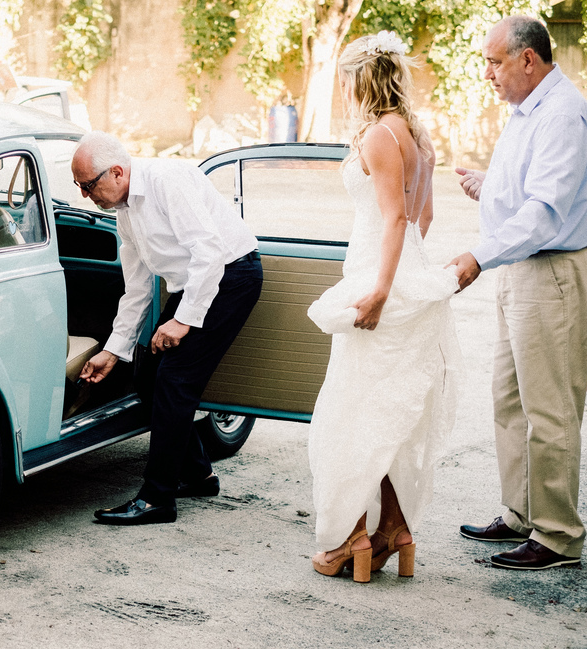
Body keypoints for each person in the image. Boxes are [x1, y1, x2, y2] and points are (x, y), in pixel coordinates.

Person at [448, 15, 587, 571]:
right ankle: (520, 513)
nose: (487, 73)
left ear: (527, 60)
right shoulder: (526, 110)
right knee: (509, 399)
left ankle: (559, 535)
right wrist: (487, 186)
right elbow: (525, 190)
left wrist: (477, 256)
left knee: (551, 410)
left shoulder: (562, 115)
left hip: (553, 272)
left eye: (493, 62)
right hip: (523, 270)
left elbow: (544, 213)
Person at [306, 31, 461, 583]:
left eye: (345, 82)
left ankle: (351, 540)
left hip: (383, 278)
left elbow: (394, 219)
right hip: (409, 273)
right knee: (394, 416)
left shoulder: (377, 136)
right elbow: (424, 220)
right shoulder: (418, 136)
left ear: (360, 81)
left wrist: (379, 290)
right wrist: (408, 276)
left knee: (351, 413)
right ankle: (394, 529)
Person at [74, 131, 263, 525]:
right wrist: (114, 349)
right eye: (79, 187)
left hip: (231, 277)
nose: (84, 197)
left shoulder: (167, 180)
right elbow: (138, 287)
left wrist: (183, 320)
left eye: (88, 186)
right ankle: (197, 474)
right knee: (146, 377)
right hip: (195, 283)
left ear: (117, 172)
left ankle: (157, 498)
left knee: (175, 380)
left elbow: (209, 251)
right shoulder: (124, 211)